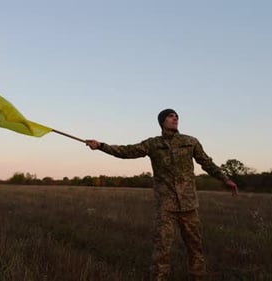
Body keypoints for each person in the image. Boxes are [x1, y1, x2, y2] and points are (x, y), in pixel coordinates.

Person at [85, 108, 238, 281]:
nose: (175, 119)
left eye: (177, 116)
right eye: (171, 116)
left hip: (189, 205)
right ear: (162, 122)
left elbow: (207, 163)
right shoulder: (153, 144)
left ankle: (198, 277)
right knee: (162, 248)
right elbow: (127, 151)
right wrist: (101, 146)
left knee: (195, 246)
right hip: (166, 205)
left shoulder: (190, 141)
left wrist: (225, 179)